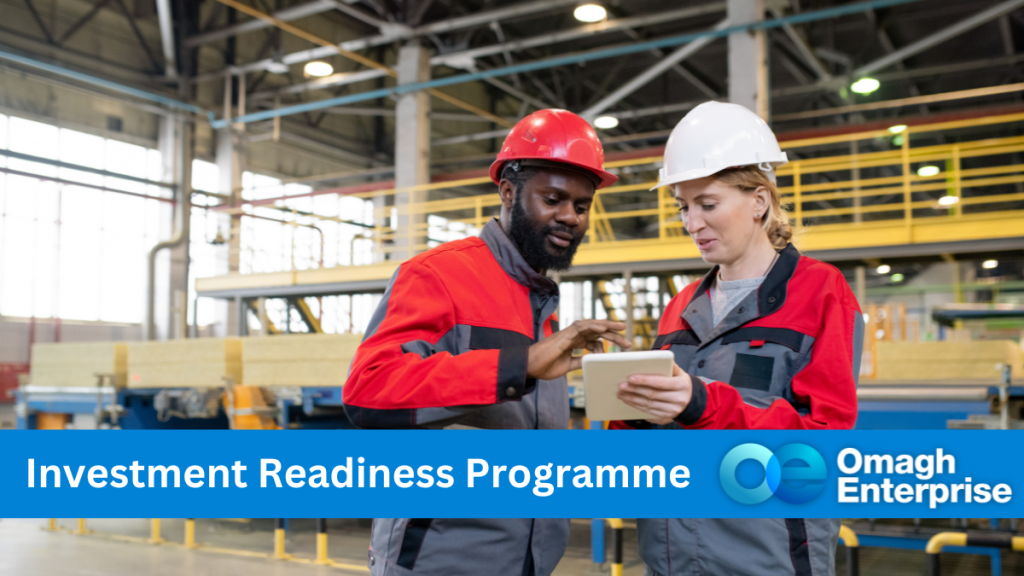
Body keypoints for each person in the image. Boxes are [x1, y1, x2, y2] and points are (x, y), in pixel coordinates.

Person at [343, 109, 630, 576]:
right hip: (440, 559)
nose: (569, 217)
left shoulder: (540, 302)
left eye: (581, 206)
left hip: (529, 561)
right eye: (553, 199)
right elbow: (368, 392)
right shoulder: (439, 276)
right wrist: (518, 366)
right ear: (508, 192)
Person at [613, 101, 864, 576]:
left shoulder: (821, 292)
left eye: (708, 204)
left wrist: (705, 405)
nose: (692, 223)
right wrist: (630, 410)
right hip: (671, 560)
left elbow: (825, 450)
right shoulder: (682, 304)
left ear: (759, 201)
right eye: (684, 207)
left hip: (767, 560)